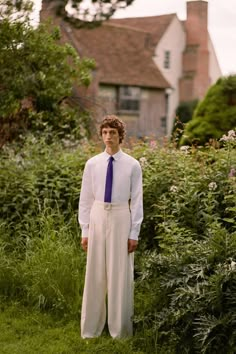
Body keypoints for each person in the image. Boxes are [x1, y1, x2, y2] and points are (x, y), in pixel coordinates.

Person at [78, 114, 143, 339]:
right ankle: (91, 330)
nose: (108, 137)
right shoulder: (92, 164)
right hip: (97, 214)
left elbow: (136, 201)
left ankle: (120, 331)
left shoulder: (132, 165)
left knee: (120, 274)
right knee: (95, 273)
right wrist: (85, 230)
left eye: (112, 133)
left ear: (120, 135)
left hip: (120, 216)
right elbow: (85, 199)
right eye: (105, 132)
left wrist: (134, 233)